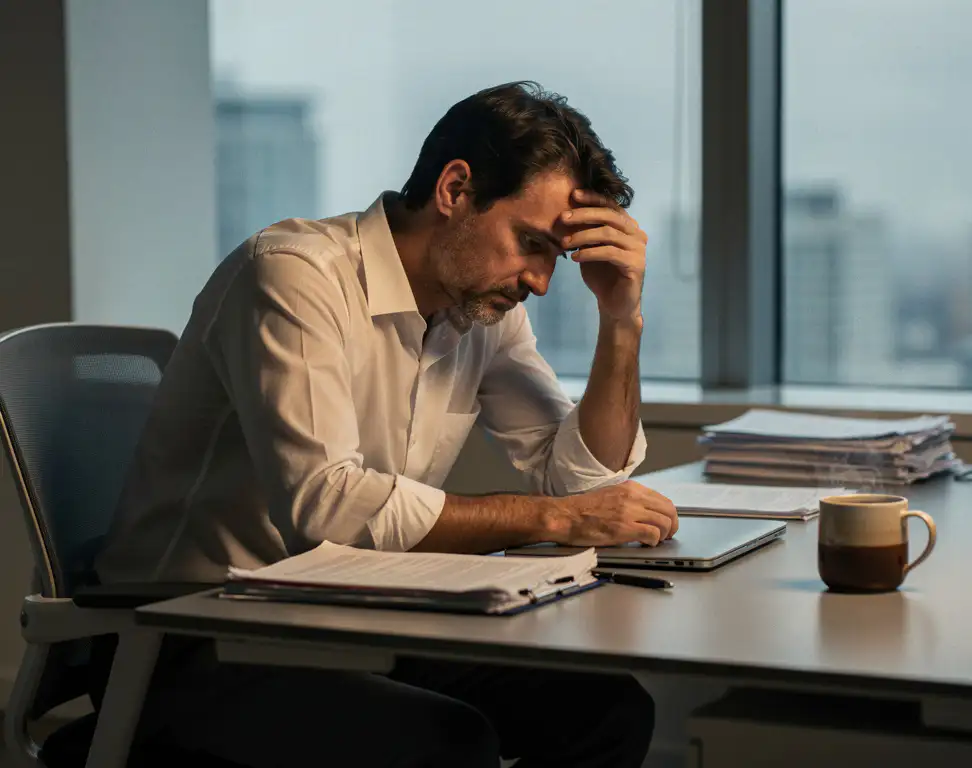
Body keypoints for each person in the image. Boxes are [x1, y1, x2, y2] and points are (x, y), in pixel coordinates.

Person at [93, 81, 679, 768]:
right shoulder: (291, 276)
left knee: (607, 710)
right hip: (188, 634)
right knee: (445, 743)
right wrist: (554, 520)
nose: (543, 282)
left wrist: (619, 320)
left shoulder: (481, 314)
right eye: (530, 243)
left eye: (556, 256)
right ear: (455, 190)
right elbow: (326, 506)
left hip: (348, 621)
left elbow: (582, 478)